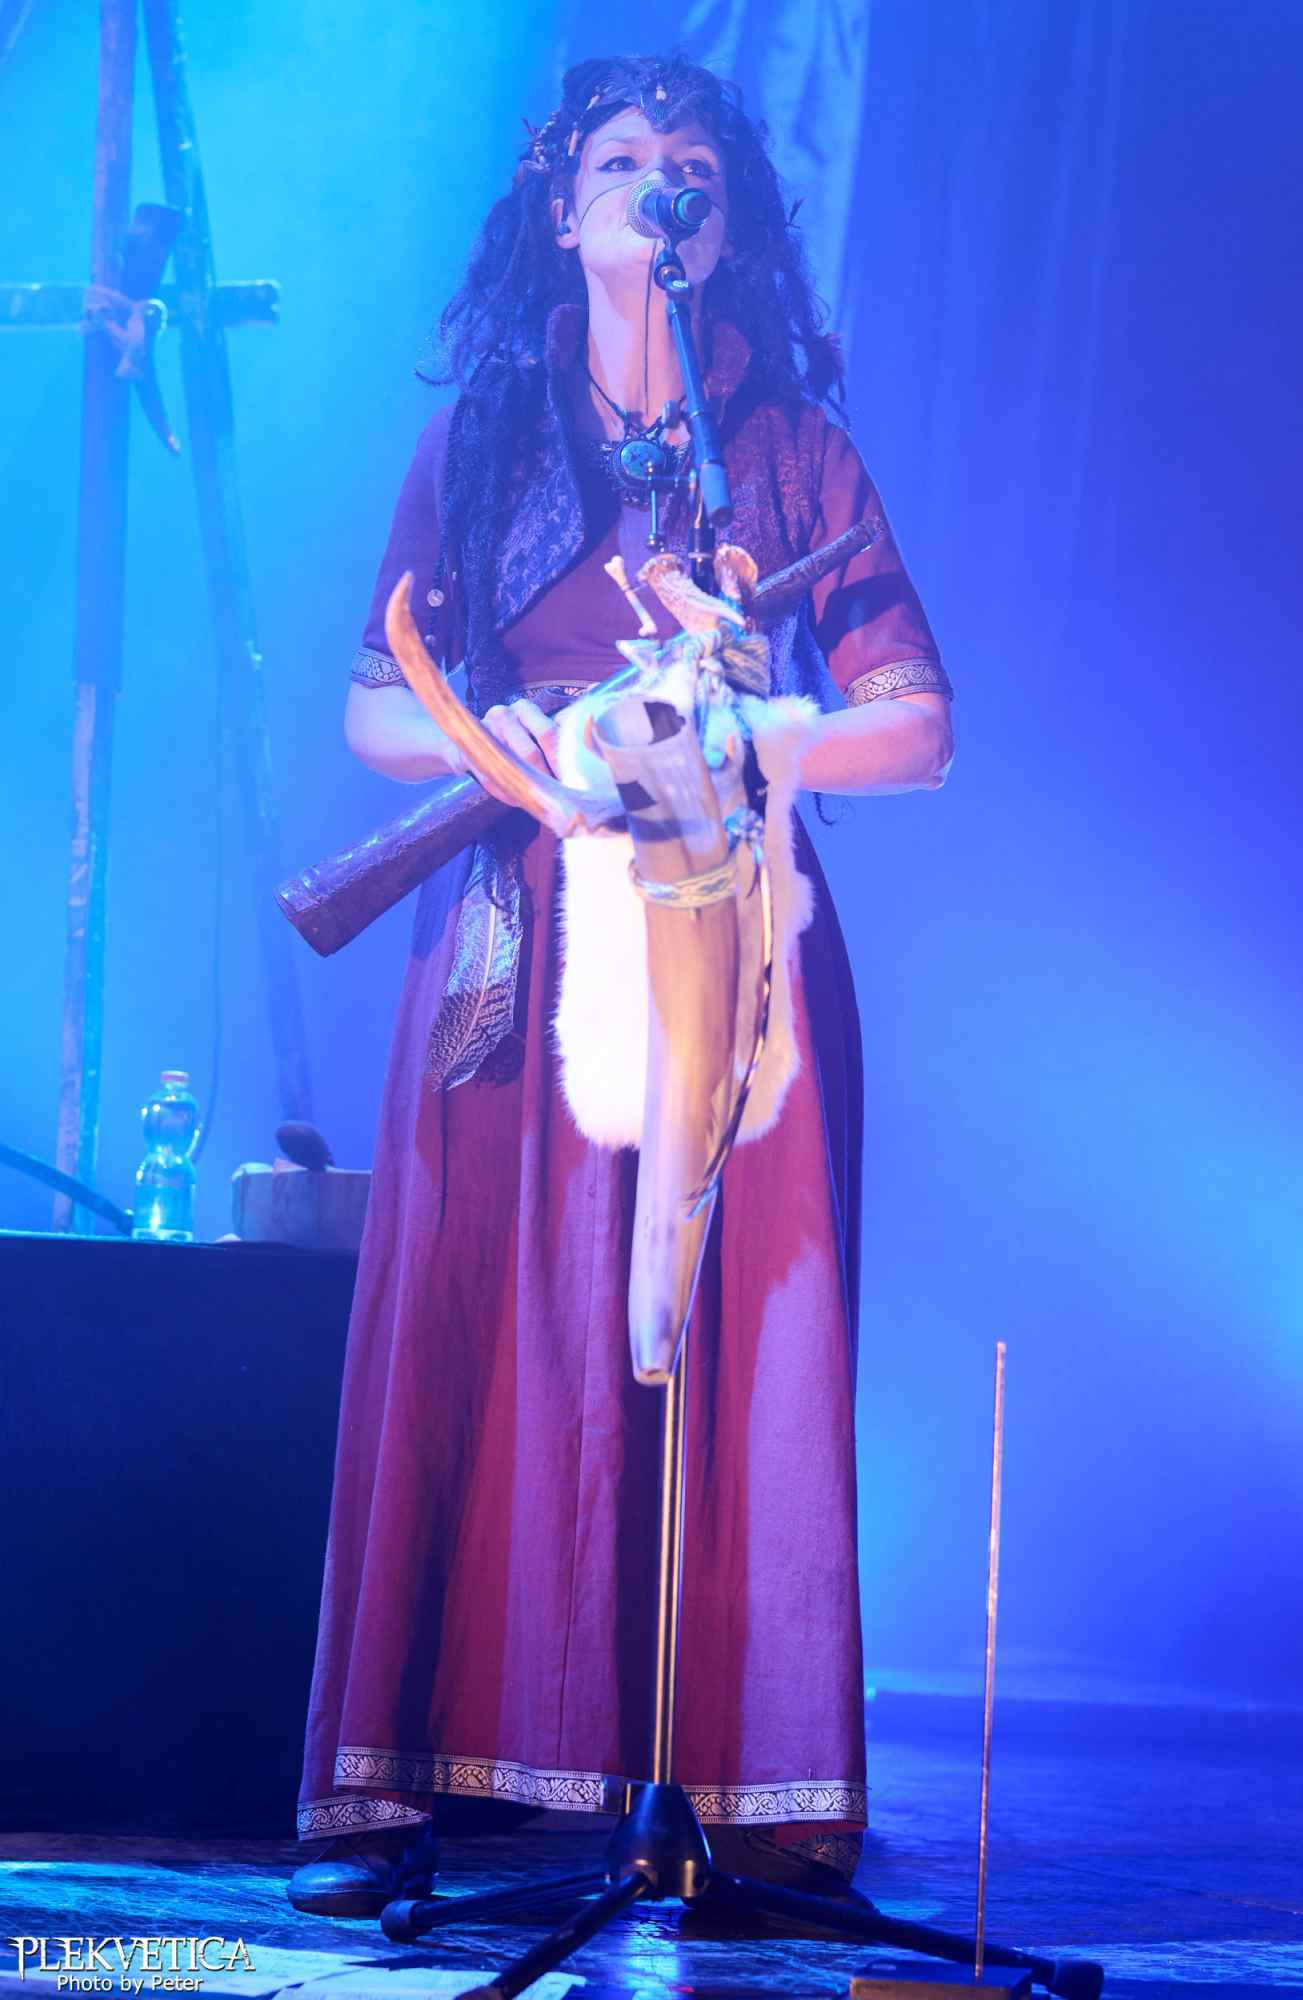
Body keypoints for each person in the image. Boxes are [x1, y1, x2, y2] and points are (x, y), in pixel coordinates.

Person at [288, 52, 952, 1918]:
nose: (661, 185)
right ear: (560, 203)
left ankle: (748, 1800)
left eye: (694, 166)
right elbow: (371, 709)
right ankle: (416, 1781)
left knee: (742, 1334)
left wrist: (748, 730)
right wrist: (499, 738)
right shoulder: (486, 445)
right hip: (527, 930)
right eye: (623, 157)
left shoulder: (788, 452)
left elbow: (916, 727)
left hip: (734, 920)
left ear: (722, 226)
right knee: (488, 1319)